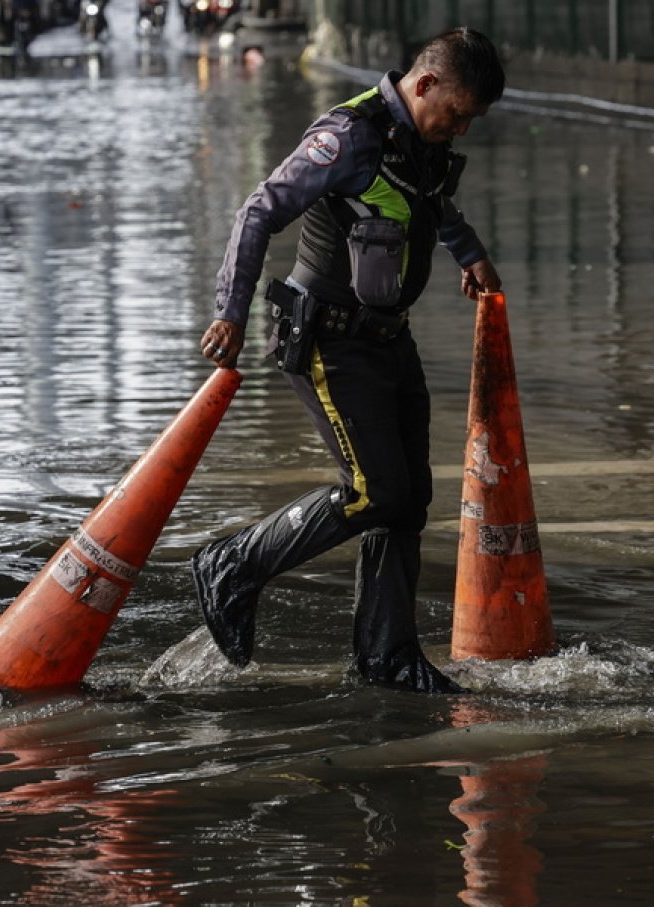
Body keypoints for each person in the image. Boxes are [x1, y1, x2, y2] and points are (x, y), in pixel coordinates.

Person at [191, 28, 506, 693]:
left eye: (470, 121)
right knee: (374, 489)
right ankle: (234, 565)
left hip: (389, 338)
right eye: (456, 114)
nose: (460, 129)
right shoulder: (350, 136)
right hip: (328, 340)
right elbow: (259, 210)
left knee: (409, 499)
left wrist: (468, 250)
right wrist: (231, 311)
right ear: (425, 86)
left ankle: (386, 658)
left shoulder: (420, 143)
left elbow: (429, 202)